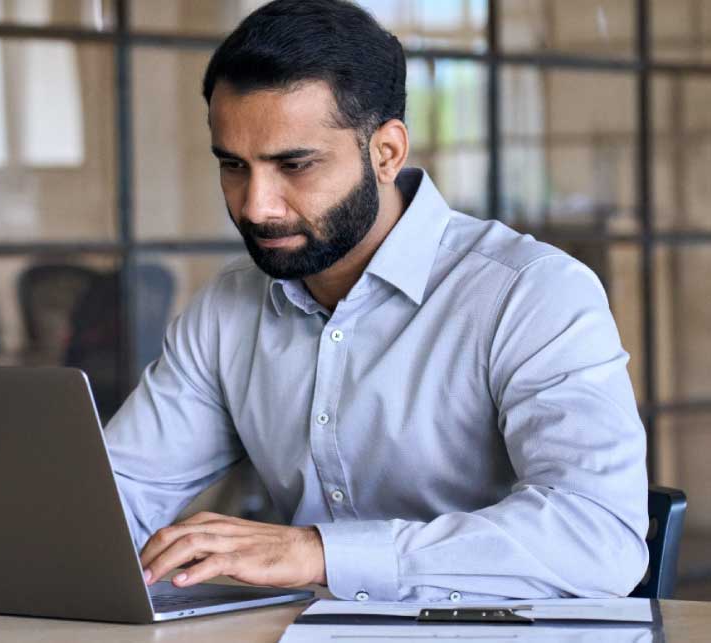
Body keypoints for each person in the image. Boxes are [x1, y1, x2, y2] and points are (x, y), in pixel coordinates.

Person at [104, 0, 649, 603]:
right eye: (234, 165)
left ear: (386, 153)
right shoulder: (227, 309)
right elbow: (117, 496)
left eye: (295, 164)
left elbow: (599, 538)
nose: (256, 205)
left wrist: (317, 552)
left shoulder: (530, 292)